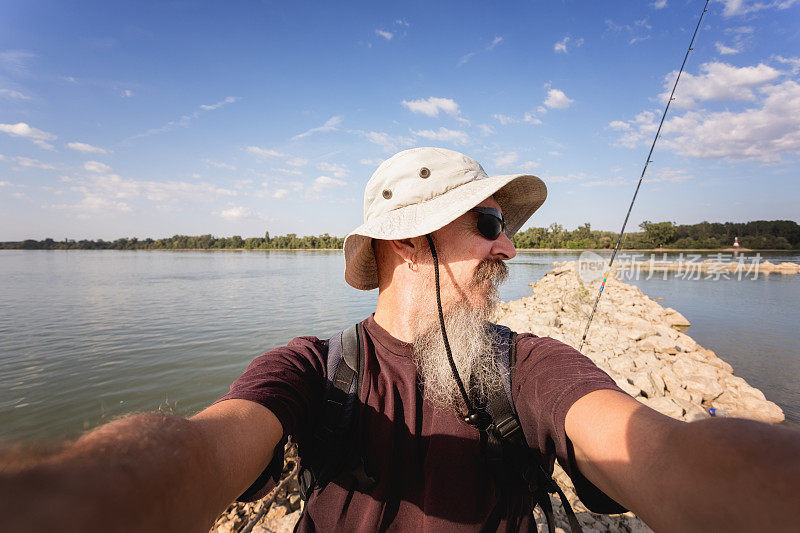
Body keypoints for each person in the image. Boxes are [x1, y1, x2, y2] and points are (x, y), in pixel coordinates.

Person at [1, 147, 798, 532]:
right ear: (409, 242)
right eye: (489, 224)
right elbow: (199, 449)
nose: (510, 248)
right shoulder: (314, 369)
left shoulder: (528, 366)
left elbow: (658, 450)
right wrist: (55, 498)